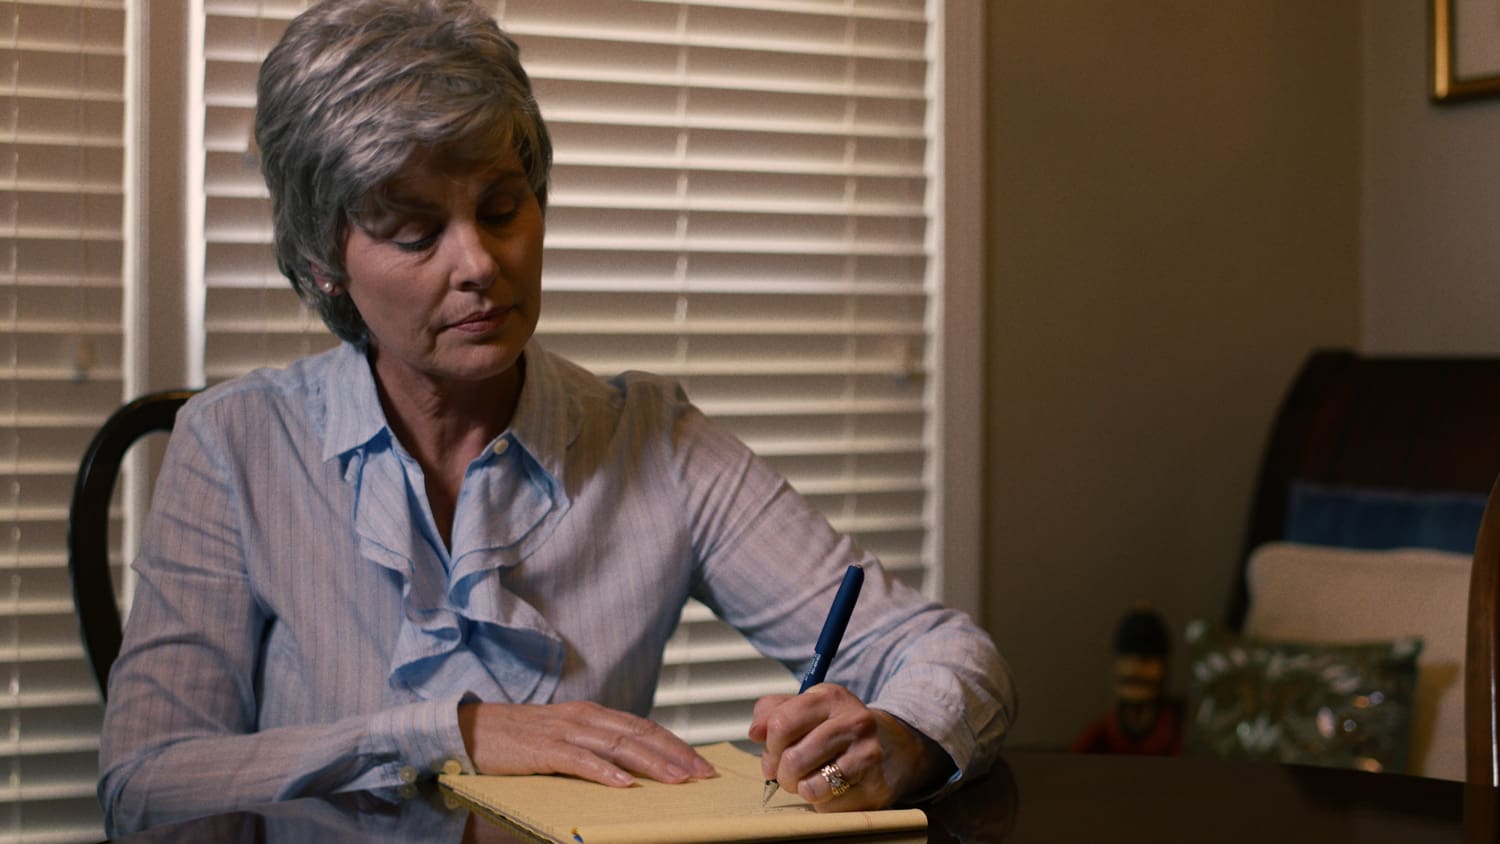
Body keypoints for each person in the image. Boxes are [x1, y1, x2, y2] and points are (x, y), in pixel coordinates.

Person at [97, 0, 1016, 835]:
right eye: (415, 233)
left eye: (503, 208)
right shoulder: (234, 443)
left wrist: (897, 738)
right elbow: (145, 778)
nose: (481, 264)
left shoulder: (650, 436)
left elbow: (945, 648)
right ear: (324, 260)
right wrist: (449, 732)